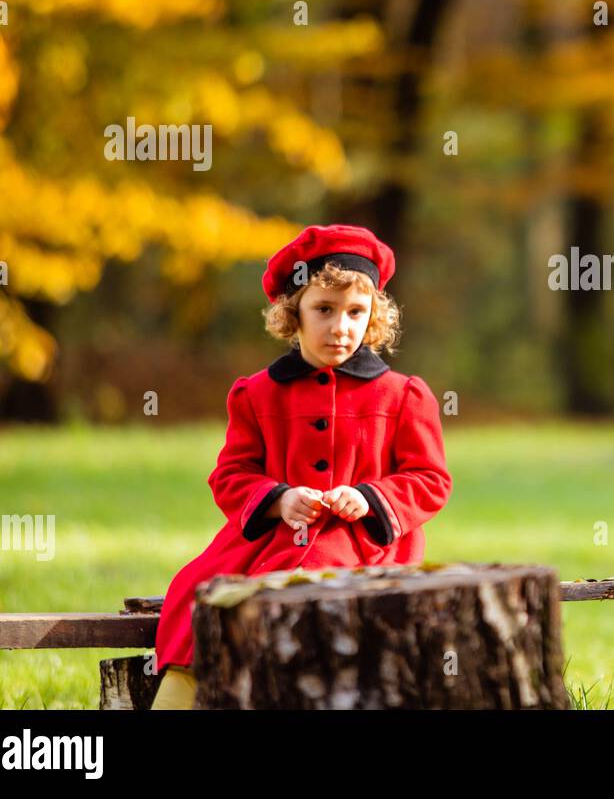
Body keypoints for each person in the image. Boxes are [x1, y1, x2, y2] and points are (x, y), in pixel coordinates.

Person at [150, 224, 452, 709]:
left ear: (374, 315)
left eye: (356, 312)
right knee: (200, 603)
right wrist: (278, 498)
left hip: (364, 550)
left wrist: (371, 497)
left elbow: (430, 480)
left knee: (326, 615)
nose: (340, 327)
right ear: (294, 313)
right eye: (324, 310)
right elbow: (230, 475)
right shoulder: (256, 393)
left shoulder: (403, 396)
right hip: (264, 549)